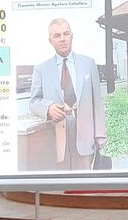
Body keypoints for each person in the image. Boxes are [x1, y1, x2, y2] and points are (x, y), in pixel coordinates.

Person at [30, 18, 107, 170]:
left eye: (66, 34)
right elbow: (34, 102)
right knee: (61, 185)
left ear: (72, 35)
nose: (62, 39)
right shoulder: (41, 69)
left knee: (84, 186)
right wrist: (49, 107)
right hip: (56, 139)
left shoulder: (88, 63)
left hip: (85, 138)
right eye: (57, 35)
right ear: (50, 40)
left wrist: (100, 135)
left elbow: (97, 102)